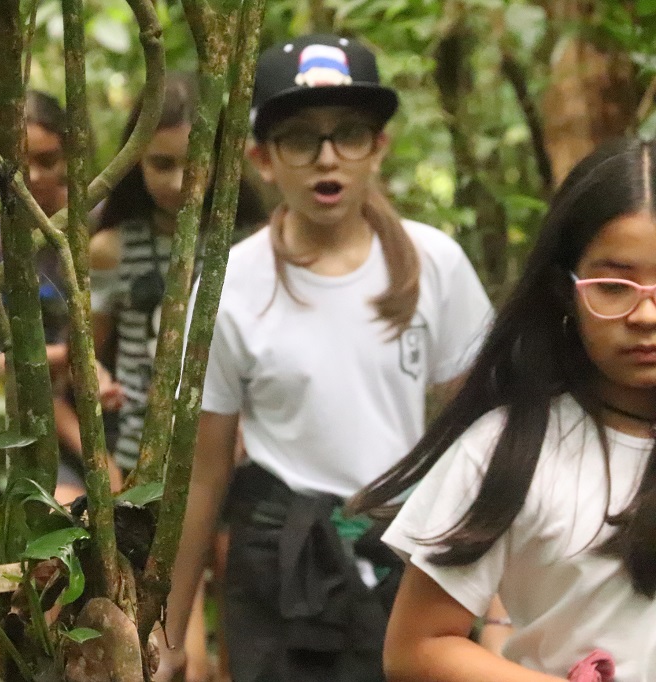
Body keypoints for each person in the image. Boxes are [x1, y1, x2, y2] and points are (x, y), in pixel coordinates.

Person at [160, 34, 492, 682]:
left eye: (349, 134)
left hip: (407, 556)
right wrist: (170, 628)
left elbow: (485, 444)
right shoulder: (231, 283)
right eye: (300, 138)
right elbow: (204, 474)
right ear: (262, 157)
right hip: (281, 565)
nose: (327, 157)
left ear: (379, 148)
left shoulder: (436, 265)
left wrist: (502, 608)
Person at [351, 137, 656, 679]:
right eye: (613, 286)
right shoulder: (508, 449)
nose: (646, 314)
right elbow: (417, 647)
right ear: (566, 291)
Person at [90, 73, 265, 682]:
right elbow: (93, 358)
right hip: (148, 461)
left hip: (246, 465)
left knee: (242, 632)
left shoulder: (252, 248)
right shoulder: (112, 248)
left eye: (192, 164)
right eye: (158, 164)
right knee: (167, 637)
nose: (175, 183)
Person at [0, 90, 122, 504]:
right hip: (50, 417)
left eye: (48, 161)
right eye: (19, 164)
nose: (32, 178)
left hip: (125, 398)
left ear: (69, 156)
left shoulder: (103, 221)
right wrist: (73, 355)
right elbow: (8, 359)